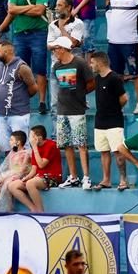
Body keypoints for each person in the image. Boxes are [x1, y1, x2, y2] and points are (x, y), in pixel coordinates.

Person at [50, 37, 95, 190]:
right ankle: (73, 177)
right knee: (67, 144)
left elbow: (91, 83)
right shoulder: (56, 66)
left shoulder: (80, 63)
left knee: (81, 144)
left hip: (77, 110)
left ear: (63, 48)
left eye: (56, 48)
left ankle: (86, 177)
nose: (54, 52)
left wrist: (81, 95)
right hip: (62, 110)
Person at [8, 0, 50, 113]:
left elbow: (39, 11)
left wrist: (21, 9)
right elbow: (11, 9)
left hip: (38, 32)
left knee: (40, 68)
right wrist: (29, 7)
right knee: (19, 69)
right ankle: (21, 100)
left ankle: (42, 101)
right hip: (20, 33)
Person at [88, 51, 130, 191]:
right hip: (100, 121)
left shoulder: (114, 78)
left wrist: (114, 109)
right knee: (103, 151)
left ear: (99, 63)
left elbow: (124, 98)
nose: (91, 65)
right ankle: (106, 179)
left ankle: (123, 180)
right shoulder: (98, 78)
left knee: (118, 151)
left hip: (114, 121)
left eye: (92, 62)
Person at [0, 40, 37, 152]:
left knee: (22, 148)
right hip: (2, 115)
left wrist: (19, 100)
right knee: (6, 148)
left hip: (18, 114)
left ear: (8, 51)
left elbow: (33, 88)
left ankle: (24, 170)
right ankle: (11, 169)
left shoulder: (21, 67)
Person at [8, 124, 63, 212]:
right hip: (38, 177)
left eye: (31, 136)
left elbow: (41, 165)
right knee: (12, 185)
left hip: (52, 177)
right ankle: (33, 209)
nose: (29, 139)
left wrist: (34, 147)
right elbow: (34, 170)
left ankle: (40, 212)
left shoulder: (51, 145)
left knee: (30, 183)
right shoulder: (35, 148)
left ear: (39, 138)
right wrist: (25, 178)